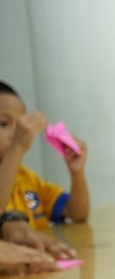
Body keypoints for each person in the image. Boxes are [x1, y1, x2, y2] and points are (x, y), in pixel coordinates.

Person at [0, 81, 89, 228]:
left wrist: (77, 173)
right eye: (2, 124)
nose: (16, 133)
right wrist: (17, 148)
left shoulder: (28, 178)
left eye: (20, 125)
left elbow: (77, 214)